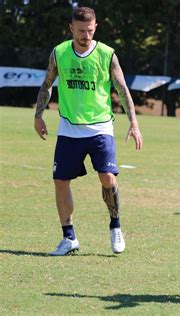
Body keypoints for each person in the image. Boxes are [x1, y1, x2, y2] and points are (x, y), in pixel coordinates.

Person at [34, 7, 143, 256]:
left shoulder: (106, 54)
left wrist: (134, 123)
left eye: (90, 31)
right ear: (71, 27)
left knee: (107, 177)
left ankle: (115, 227)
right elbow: (47, 84)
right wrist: (38, 115)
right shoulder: (59, 52)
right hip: (69, 129)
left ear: (96, 27)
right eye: (81, 30)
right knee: (60, 181)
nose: (86, 35)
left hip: (100, 127)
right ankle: (69, 237)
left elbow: (123, 90)